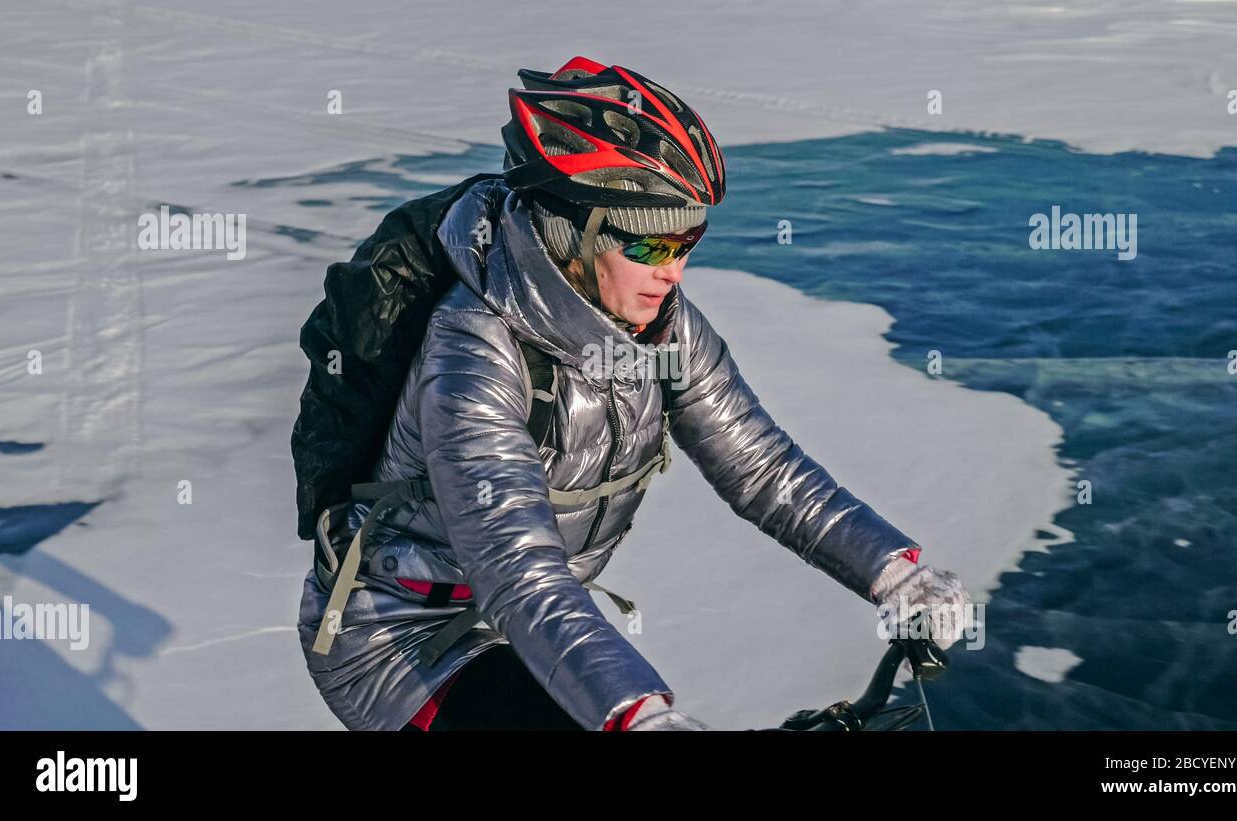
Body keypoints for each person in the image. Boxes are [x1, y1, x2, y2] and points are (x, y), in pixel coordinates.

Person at [296, 56, 971, 732]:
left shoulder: (658, 326)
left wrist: (893, 571)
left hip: (534, 626)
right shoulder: (473, 357)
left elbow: (760, 466)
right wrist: (636, 715)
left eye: (689, 240)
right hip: (407, 638)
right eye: (651, 246)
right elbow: (519, 570)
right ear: (574, 234)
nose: (674, 272)